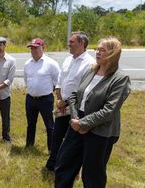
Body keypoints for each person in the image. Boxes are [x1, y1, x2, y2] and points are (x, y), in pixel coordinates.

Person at [55, 37, 131, 187]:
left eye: (103, 50)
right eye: (97, 49)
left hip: (101, 130)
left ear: (113, 53)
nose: (98, 52)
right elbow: (75, 96)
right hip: (77, 123)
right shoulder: (91, 71)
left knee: (92, 175)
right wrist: (76, 121)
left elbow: (109, 110)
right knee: (63, 165)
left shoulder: (120, 79)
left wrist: (84, 124)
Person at [45, 31, 95, 171]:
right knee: (57, 137)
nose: (69, 44)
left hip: (76, 108)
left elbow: (83, 89)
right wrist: (59, 99)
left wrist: (65, 103)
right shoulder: (68, 59)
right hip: (62, 105)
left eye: (72, 42)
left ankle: (70, 168)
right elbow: (60, 80)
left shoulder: (90, 63)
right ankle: (52, 164)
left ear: (82, 43)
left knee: (72, 140)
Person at [23, 38, 60, 151]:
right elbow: (26, 80)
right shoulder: (27, 64)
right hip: (30, 99)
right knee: (31, 124)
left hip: (45, 99)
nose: (33, 50)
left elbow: (57, 82)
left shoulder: (51, 63)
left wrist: (46, 91)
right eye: (32, 48)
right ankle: (29, 146)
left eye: (36, 47)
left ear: (43, 48)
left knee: (49, 126)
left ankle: (51, 149)